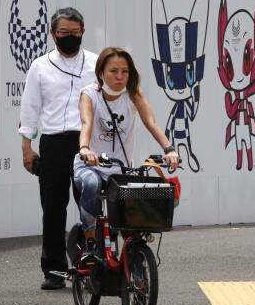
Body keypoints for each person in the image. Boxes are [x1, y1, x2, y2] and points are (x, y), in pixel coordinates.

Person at [73, 47, 179, 258]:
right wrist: (85, 149)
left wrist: (169, 149)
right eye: (113, 71)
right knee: (92, 185)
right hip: (90, 165)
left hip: (119, 169)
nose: (120, 76)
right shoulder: (89, 94)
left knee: (133, 217)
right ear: (101, 72)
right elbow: (86, 123)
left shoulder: (133, 94)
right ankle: (91, 239)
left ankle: (135, 259)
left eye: (125, 71)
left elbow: (151, 122)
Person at [19, 7, 98, 290]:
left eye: (74, 33)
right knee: (53, 208)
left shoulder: (96, 63)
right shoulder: (40, 66)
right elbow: (30, 107)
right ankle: (54, 269)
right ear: (52, 33)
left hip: (87, 142)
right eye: (63, 33)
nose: (68, 38)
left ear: (83, 32)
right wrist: (27, 147)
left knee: (90, 206)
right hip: (52, 141)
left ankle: (93, 266)